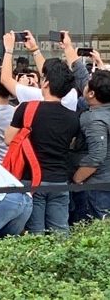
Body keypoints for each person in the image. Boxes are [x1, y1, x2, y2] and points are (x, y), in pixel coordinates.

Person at [7, 58, 80, 235]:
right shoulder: (73, 117)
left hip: (32, 178)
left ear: (46, 82)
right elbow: (71, 144)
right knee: (60, 231)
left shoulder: (27, 108)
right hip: (60, 180)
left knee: (35, 232)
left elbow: (9, 139)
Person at [75, 69, 110, 218]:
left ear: (92, 94)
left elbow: (97, 155)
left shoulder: (94, 119)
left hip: (99, 184)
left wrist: (77, 178)